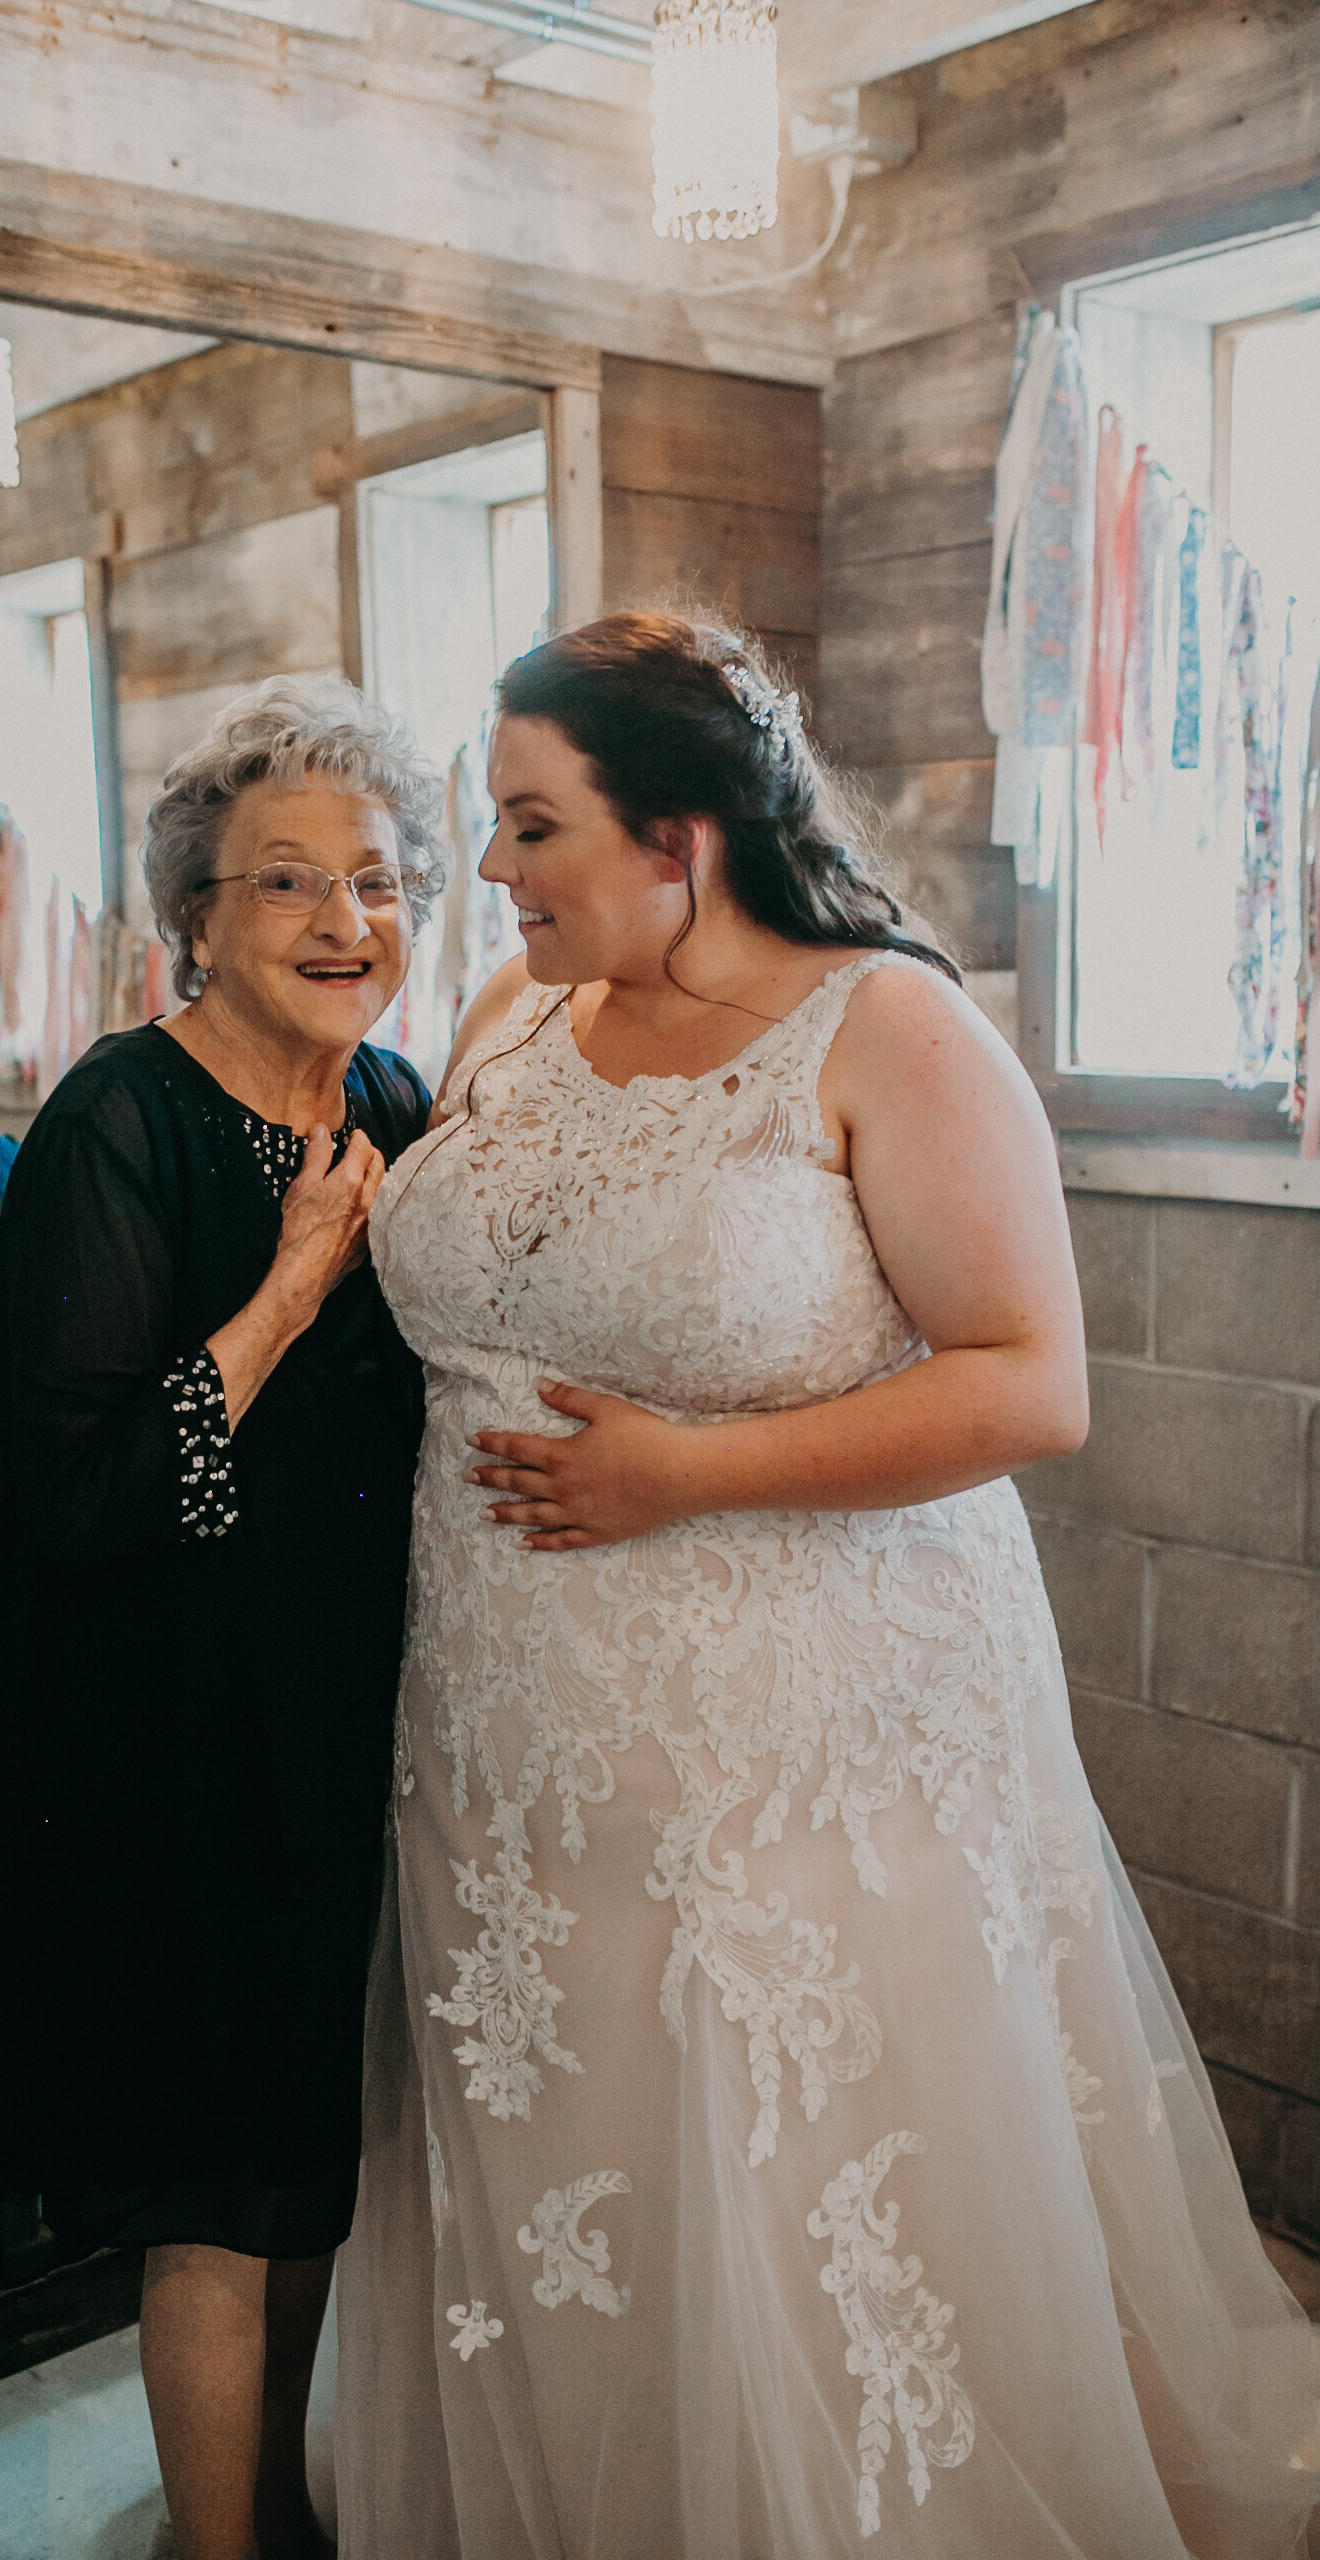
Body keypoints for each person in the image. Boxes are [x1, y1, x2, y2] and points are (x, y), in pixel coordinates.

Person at [334, 615, 1317, 2559]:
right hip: (503, 1722)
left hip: (786, 1736)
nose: (490, 871)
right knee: (567, 2121)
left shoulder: (890, 1032)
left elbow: (1029, 1379)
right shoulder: (504, 1018)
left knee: (777, 2153)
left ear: (673, 834)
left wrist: (682, 1470)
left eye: (530, 825)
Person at [0, 679, 445, 2560]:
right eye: (289, 885)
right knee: (213, 2187)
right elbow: (74, 1493)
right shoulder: (116, 1121)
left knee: (307, 2160)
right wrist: (288, 1289)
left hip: (349, 1717)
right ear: (200, 914)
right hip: (177, 1734)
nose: (348, 923)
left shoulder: (399, 1101)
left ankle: (276, 2514)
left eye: (382, 881)